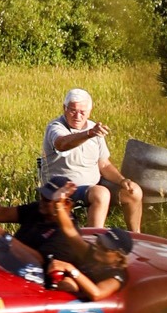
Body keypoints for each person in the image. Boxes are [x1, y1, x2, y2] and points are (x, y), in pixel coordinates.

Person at [42, 87, 143, 234]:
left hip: (93, 185)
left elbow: (104, 164)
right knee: (101, 194)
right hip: (63, 187)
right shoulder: (56, 127)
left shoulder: (93, 128)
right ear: (64, 109)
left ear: (89, 112)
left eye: (82, 112)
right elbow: (62, 144)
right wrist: (88, 134)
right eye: (72, 110)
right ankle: (92, 243)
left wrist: (122, 181)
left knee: (134, 191)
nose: (77, 116)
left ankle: (136, 237)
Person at [46, 239, 130, 302]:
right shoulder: (93, 259)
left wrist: (71, 269)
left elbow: (96, 294)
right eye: (99, 242)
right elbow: (70, 232)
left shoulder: (117, 275)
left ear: (119, 257)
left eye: (105, 248)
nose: (99, 248)